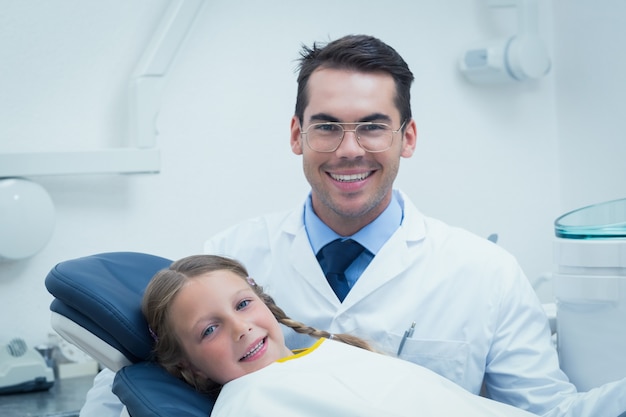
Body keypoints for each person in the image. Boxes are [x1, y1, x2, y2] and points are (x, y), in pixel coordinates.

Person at [79, 34, 626, 417]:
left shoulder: (485, 273)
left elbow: (550, 412)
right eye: (327, 127)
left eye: (372, 127)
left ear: (406, 138)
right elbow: (123, 392)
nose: (348, 150)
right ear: (296, 135)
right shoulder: (230, 258)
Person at [142, 254, 539, 417]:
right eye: (210, 329)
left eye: (243, 305)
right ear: (187, 365)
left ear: (263, 301)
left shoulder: (331, 353)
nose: (240, 328)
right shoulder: (250, 400)